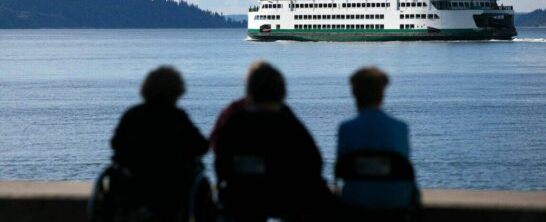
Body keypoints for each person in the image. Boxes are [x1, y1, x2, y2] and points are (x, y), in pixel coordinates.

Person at [214, 62, 338, 221]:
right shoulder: (289, 123)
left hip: (242, 198)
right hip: (285, 198)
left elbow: (220, 165)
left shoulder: (235, 123)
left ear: (249, 91)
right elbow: (314, 163)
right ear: (282, 91)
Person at [111, 66, 210, 221]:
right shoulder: (177, 117)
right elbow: (201, 146)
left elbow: (116, 144)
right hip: (172, 187)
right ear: (177, 91)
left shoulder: (132, 115)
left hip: (134, 185)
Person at [337, 66, 418, 210]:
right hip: (397, 206)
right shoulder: (401, 127)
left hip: (356, 205)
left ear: (354, 94)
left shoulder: (346, 128)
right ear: (382, 94)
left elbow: (341, 170)